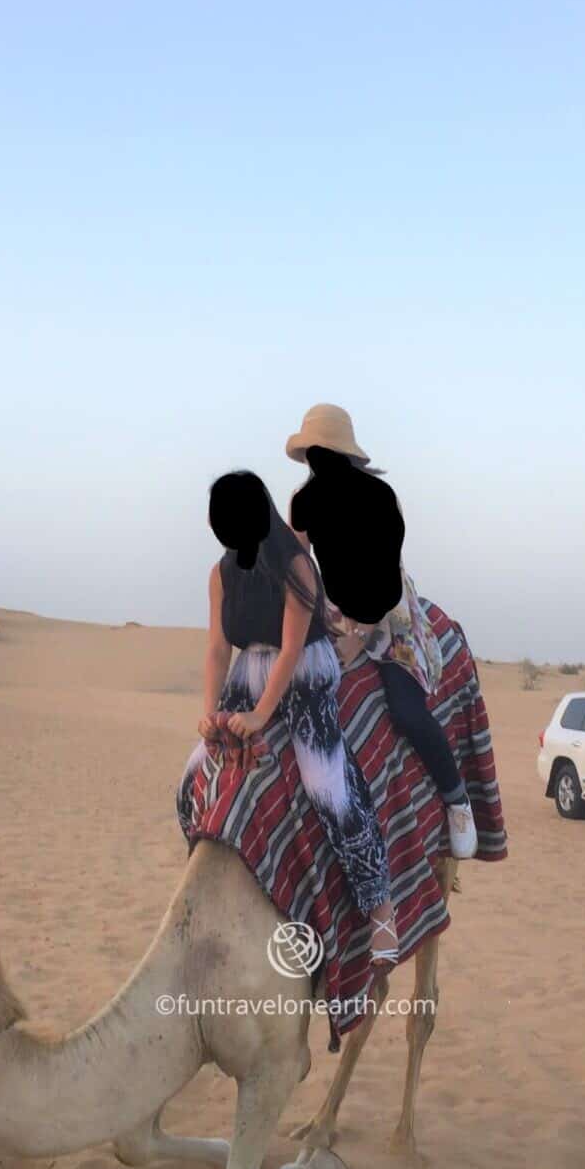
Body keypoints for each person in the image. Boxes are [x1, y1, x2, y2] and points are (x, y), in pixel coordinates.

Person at [183, 470, 399, 966]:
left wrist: (260, 715)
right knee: (193, 775)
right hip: (248, 669)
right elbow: (217, 648)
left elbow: (292, 649)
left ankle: (379, 908)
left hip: (302, 672)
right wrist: (210, 713)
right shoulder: (220, 574)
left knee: (327, 785)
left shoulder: (296, 567)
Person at [286, 403, 478, 858]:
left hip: (388, 617)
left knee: (406, 709)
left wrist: (361, 636)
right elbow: (298, 570)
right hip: (332, 613)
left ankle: (456, 800)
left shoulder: (378, 496)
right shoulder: (302, 502)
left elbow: (383, 572)